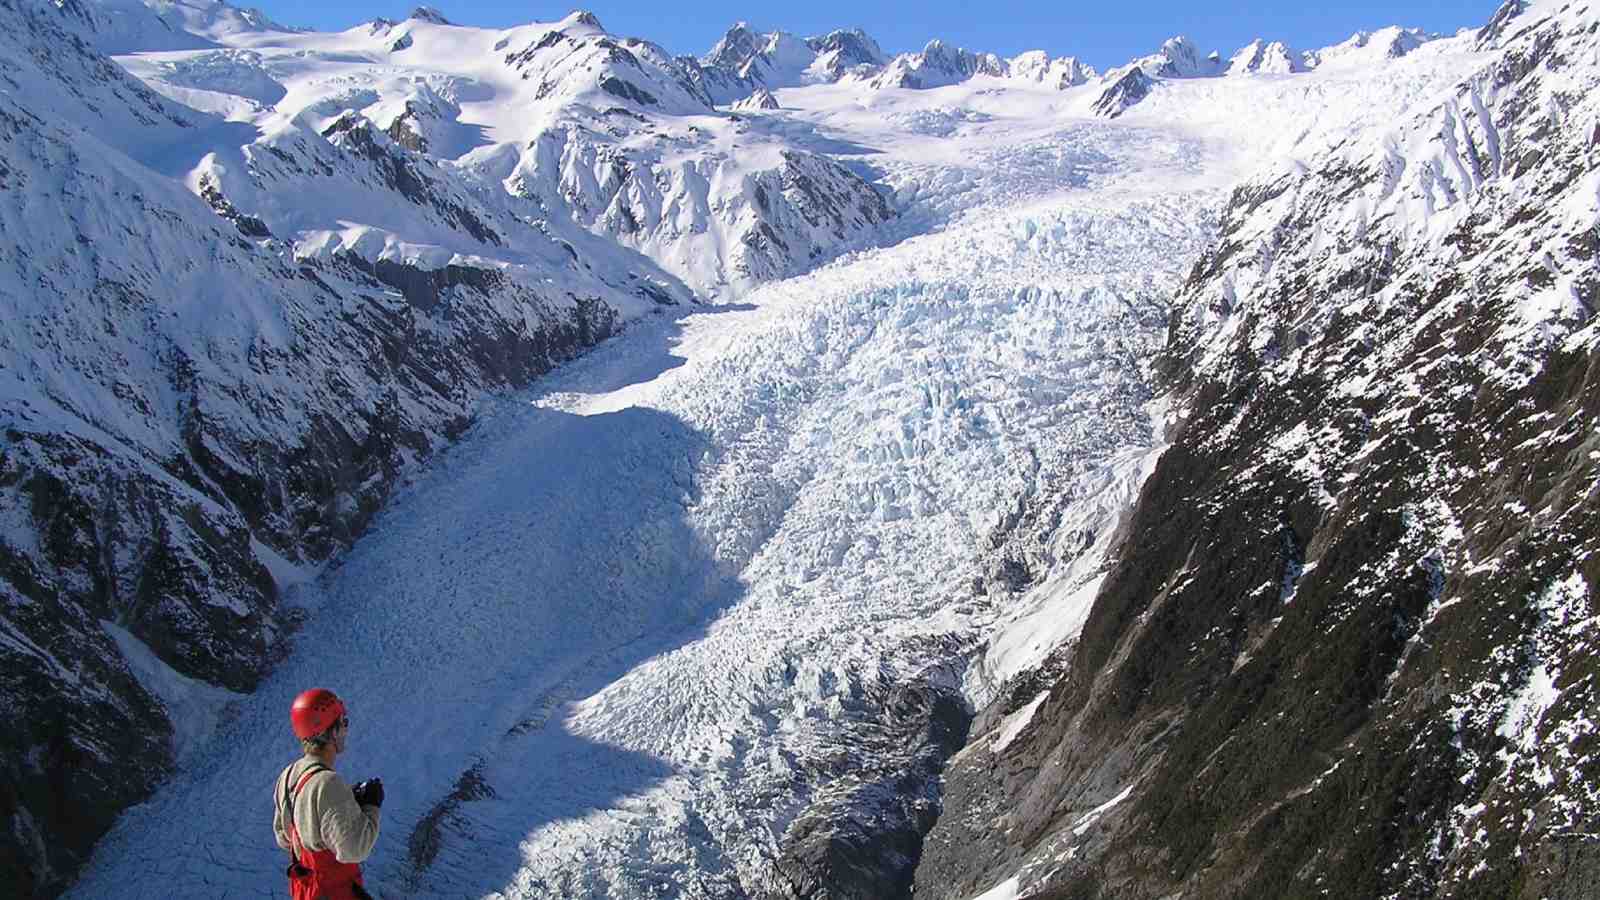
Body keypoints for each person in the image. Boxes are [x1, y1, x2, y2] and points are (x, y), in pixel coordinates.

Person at [273, 688, 383, 900]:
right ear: (331, 732)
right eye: (343, 722)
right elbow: (355, 849)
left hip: (307, 893)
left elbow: (283, 837)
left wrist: (345, 805)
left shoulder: (287, 776)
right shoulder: (329, 783)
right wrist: (371, 806)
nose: (345, 729)